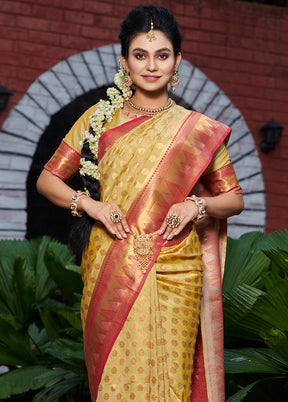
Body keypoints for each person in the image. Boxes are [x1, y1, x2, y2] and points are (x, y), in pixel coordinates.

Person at [37, 5, 244, 402]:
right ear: (124, 61)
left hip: (175, 271)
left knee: (171, 383)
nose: (152, 66)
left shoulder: (195, 129)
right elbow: (47, 179)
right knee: (115, 382)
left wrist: (195, 208)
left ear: (177, 61)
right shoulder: (100, 117)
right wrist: (91, 206)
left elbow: (233, 198)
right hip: (109, 264)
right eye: (140, 55)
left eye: (162, 55)